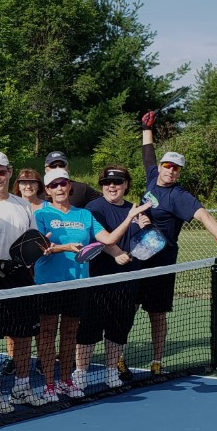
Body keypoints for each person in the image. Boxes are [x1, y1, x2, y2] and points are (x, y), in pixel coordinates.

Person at [138, 109, 217, 374]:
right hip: (137, 255)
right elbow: (147, 153)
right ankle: (120, 357)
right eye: (167, 166)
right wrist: (147, 127)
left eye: (176, 168)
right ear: (160, 167)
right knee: (126, 305)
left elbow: (204, 215)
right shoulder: (151, 178)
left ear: (179, 173)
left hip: (162, 261)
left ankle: (157, 361)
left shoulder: (179, 196)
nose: (171, 171)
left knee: (156, 313)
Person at [33, 168, 146, 401]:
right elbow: (39, 248)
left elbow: (109, 240)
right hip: (48, 283)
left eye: (63, 183)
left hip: (78, 283)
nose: (59, 188)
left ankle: (65, 380)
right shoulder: (39, 214)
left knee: (70, 333)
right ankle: (49, 385)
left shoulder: (84, 215)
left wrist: (128, 218)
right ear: (47, 190)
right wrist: (65, 247)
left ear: (69, 186)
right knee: (47, 334)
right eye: (53, 185)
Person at [0, 152, 43, 411]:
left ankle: (22, 389)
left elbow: (33, 241)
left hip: (22, 278)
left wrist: (37, 252)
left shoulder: (23, 205)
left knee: (24, 337)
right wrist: (0, 264)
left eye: (1, 172)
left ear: (9, 172)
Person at [74, 165, 147, 390]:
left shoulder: (134, 210)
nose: (112, 186)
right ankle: (80, 375)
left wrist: (146, 226)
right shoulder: (93, 209)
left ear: (126, 185)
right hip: (98, 280)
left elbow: (142, 243)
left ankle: (111, 372)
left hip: (127, 283)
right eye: (107, 183)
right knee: (89, 330)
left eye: (117, 182)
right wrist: (116, 254)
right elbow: (98, 240)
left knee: (118, 330)